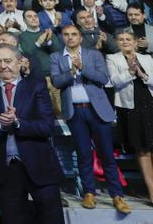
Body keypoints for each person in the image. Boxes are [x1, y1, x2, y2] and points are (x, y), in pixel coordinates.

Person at [0, 44, 64, 223]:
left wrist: (18, 123)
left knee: (51, 218)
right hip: (5, 170)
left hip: (39, 166)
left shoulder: (36, 86)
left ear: (19, 62)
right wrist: (0, 124)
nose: (3, 66)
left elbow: (47, 126)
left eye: (8, 61)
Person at [50, 25, 131, 213]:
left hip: (97, 110)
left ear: (80, 37)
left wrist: (83, 68)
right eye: (66, 35)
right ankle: (89, 193)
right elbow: (56, 81)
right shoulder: (56, 57)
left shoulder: (94, 54)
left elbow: (103, 78)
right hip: (75, 112)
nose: (70, 38)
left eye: (74, 34)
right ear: (62, 37)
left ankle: (116, 195)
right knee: (84, 154)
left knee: (107, 155)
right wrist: (71, 72)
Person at [106, 31, 153, 203]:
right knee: (143, 150)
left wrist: (143, 75)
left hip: (150, 103)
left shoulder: (147, 58)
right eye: (121, 39)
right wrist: (131, 71)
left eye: (128, 39)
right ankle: (152, 192)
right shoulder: (112, 58)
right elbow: (115, 81)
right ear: (117, 42)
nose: (125, 42)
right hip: (130, 108)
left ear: (134, 42)